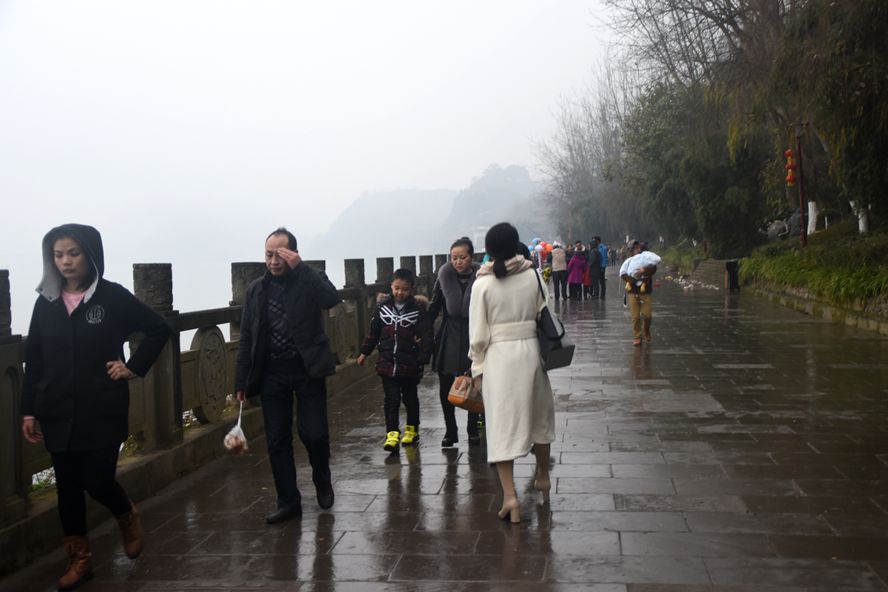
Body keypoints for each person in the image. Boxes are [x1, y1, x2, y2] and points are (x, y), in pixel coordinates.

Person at [21, 223, 171, 591]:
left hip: (103, 407)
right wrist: (29, 410)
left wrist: (132, 367)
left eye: (73, 253)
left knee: (98, 479)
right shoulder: (46, 302)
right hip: (57, 409)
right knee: (67, 489)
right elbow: (35, 360)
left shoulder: (112, 297)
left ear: (90, 255)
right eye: (58, 254)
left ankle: (126, 513)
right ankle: (80, 560)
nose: (66, 261)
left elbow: (158, 328)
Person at [235, 228, 341, 524]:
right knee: (277, 440)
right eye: (269, 255)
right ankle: (288, 501)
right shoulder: (256, 290)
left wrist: (301, 268)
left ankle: (322, 477)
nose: (273, 261)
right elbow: (247, 337)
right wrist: (241, 380)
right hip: (272, 373)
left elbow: (330, 299)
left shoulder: (310, 278)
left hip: (307, 369)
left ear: (293, 253)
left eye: (280, 255)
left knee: (313, 433)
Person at [469, 222, 555, 524]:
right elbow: (545, 310)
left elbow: (478, 335)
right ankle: (543, 477)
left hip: (499, 360)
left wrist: (477, 368)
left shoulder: (482, 285)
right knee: (539, 417)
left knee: (501, 425)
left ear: (489, 250)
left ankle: (510, 498)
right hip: (531, 353)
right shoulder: (533, 276)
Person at [357, 268, 433, 452]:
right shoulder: (382, 308)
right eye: (396, 288)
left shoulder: (418, 310)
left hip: (410, 364)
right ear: (391, 286)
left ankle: (412, 429)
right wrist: (364, 352)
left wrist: (424, 356)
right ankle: (391, 433)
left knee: (410, 399)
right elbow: (373, 332)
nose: (400, 292)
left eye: (405, 289)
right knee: (391, 400)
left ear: (412, 289)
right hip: (387, 363)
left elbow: (427, 335)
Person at [428, 236, 481, 447]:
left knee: (475, 383)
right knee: (445, 385)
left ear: (472, 257)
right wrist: (422, 329)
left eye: (462, 257)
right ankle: (450, 430)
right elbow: (434, 307)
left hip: (474, 334)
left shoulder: (482, 278)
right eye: (454, 258)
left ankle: (473, 428)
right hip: (449, 334)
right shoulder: (444, 278)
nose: (458, 262)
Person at [619, 240, 658, 346]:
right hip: (632, 291)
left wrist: (644, 271)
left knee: (647, 315)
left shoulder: (646, 258)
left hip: (645, 291)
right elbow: (623, 273)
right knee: (635, 317)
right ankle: (637, 336)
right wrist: (630, 280)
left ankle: (646, 330)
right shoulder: (629, 261)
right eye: (633, 248)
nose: (636, 249)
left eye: (637, 247)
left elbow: (654, 269)